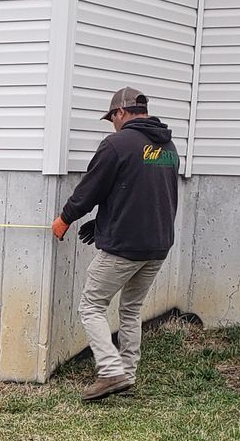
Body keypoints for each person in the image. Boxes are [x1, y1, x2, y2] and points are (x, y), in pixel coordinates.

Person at [52, 87, 182, 401]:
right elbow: (143, 193)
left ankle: (110, 371)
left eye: (112, 117)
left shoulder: (117, 144)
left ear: (120, 113)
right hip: (158, 244)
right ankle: (128, 372)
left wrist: (65, 219)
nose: (112, 123)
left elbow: (89, 190)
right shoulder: (168, 147)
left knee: (91, 306)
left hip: (126, 246)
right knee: (131, 310)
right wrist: (103, 223)